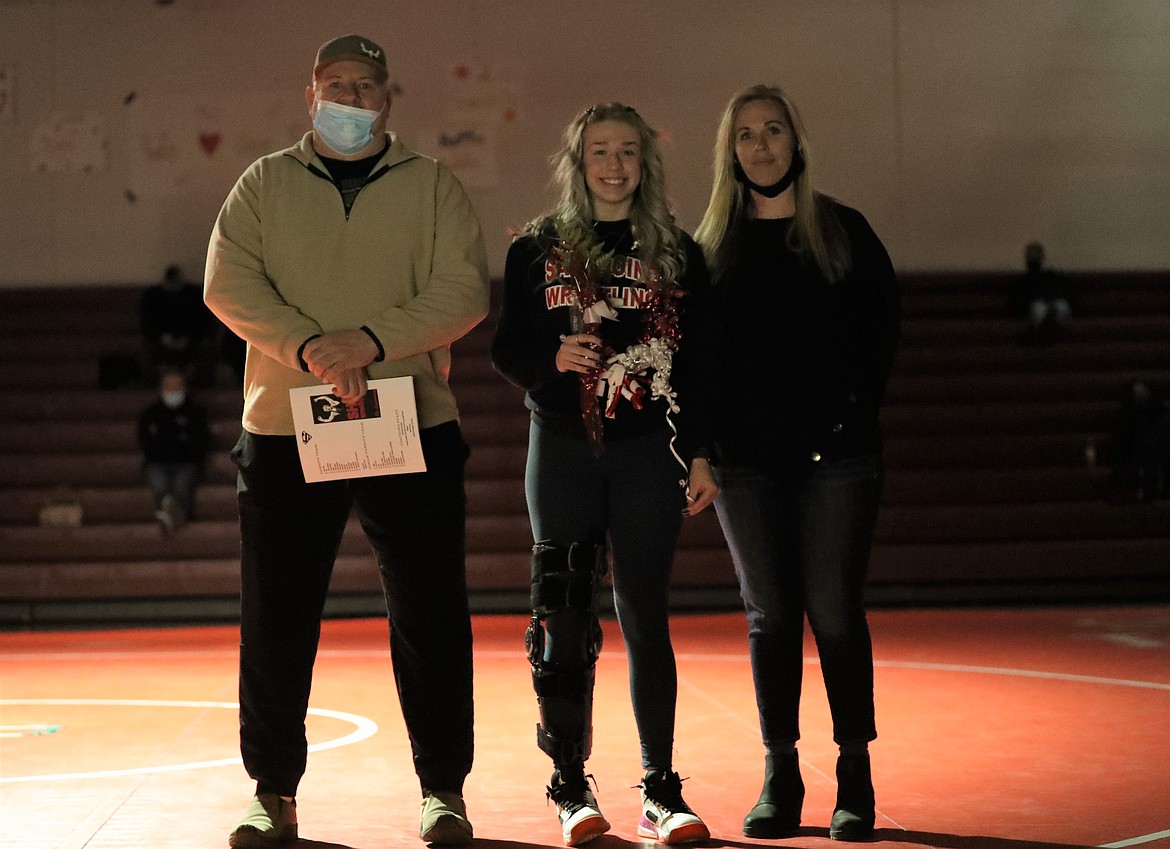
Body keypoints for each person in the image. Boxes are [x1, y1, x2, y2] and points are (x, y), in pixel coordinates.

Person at [204, 34, 489, 848]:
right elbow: (227, 284)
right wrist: (309, 349)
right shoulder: (261, 182)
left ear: (389, 99)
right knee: (277, 615)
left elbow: (462, 290)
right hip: (286, 423)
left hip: (412, 417)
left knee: (431, 614)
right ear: (311, 95)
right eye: (337, 85)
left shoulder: (433, 184)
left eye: (366, 86)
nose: (351, 99)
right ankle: (272, 793)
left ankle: (443, 789)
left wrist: (365, 341)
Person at [491, 102, 719, 847]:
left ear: (645, 164)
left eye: (627, 152)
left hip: (649, 451)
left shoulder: (679, 253)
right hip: (560, 447)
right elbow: (505, 348)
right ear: (577, 160)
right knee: (563, 611)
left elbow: (706, 364)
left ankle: (660, 787)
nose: (614, 164)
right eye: (600, 151)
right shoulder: (536, 248)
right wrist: (547, 363)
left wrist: (705, 451)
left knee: (645, 615)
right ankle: (567, 781)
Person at [694, 83, 900, 841]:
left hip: (836, 460)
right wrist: (702, 451)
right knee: (769, 616)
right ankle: (781, 771)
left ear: (796, 141)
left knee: (835, 612)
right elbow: (694, 362)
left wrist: (850, 418)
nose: (761, 145)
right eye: (745, 134)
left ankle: (854, 771)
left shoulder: (844, 232)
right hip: (744, 466)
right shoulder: (709, 246)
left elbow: (881, 336)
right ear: (731, 152)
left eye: (773, 130)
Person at [136, 369, 208, 534]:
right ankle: (174, 515)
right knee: (159, 482)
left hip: (187, 464)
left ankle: (170, 516)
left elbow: (201, 442)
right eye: (169, 388)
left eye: (176, 388)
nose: (173, 392)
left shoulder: (194, 414)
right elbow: (145, 440)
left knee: (182, 484)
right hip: (158, 464)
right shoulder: (151, 415)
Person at [140, 264, 214, 378]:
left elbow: (201, 322)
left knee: (201, 351)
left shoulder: (192, 295)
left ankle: (190, 379)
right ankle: (162, 379)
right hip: (160, 340)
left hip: (190, 339)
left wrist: (187, 338)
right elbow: (148, 323)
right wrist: (163, 337)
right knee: (151, 352)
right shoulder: (153, 297)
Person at [1009, 241, 1074, 344]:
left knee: (1061, 306)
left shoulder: (1052, 276)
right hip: (1034, 309)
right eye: (1032, 255)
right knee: (1039, 309)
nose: (1034, 258)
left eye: (1036, 255)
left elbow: (1068, 293)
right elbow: (1015, 303)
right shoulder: (1022, 281)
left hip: (1052, 305)